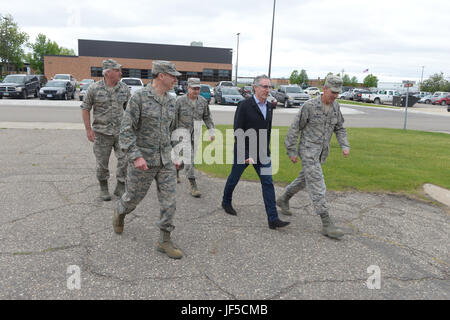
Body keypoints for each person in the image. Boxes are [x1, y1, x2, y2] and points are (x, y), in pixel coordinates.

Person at [114, 60, 184, 259]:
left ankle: (164, 240)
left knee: (170, 202)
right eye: (173, 76)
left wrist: (178, 153)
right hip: (143, 161)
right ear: (161, 76)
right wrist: (135, 156)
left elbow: (175, 130)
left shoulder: (172, 100)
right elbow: (126, 131)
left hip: (166, 160)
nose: (175, 80)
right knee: (132, 198)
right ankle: (120, 211)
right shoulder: (139, 98)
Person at [277, 75, 350, 239]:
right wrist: (291, 151)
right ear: (324, 89)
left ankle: (284, 198)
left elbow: (340, 128)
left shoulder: (335, 107)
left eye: (338, 93)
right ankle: (326, 222)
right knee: (317, 181)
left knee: (305, 179)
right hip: (308, 151)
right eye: (333, 92)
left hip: (321, 153)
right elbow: (295, 128)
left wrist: (345, 145)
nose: (335, 96)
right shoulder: (309, 106)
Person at [221, 75, 290, 230]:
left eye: (269, 87)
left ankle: (273, 219)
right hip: (244, 151)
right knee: (234, 178)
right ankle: (226, 202)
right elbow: (238, 130)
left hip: (262, 153)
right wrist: (245, 154)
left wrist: (266, 149)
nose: (268, 90)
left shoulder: (270, 106)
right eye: (265, 87)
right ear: (255, 87)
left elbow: (268, 130)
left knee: (268, 182)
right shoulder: (244, 105)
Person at [81, 59, 131, 201]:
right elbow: (85, 108)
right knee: (102, 163)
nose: (120, 73)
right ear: (108, 72)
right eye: (117, 70)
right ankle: (103, 187)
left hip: (121, 132)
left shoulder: (124, 88)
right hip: (102, 133)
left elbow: (129, 110)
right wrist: (88, 129)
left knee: (125, 159)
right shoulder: (94, 88)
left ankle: (121, 186)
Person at [175, 77, 215, 197]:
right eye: (194, 88)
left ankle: (176, 168)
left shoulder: (202, 101)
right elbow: (173, 118)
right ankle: (193, 185)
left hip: (195, 134)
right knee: (189, 157)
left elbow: (207, 117)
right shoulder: (179, 101)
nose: (196, 91)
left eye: (198, 89)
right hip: (182, 134)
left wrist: (211, 131)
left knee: (190, 158)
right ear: (188, 88)